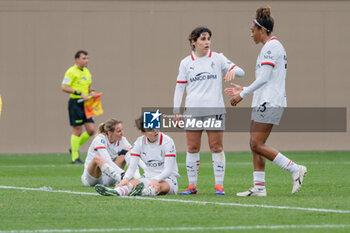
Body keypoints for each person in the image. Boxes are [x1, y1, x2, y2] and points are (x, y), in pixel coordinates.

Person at [225, 7, 307, 196]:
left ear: (262, 30)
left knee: (256, 143)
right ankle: (259, 188)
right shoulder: (269, 47)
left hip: (270, 101)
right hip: (263, 100)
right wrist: (243, 88)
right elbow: (264, 78)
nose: (251, 34)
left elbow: (264, 78)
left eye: (252, 30)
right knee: (254, 143)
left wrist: (243, 94)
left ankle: (295, 169)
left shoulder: (272, 47)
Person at [173, 27, 245, 195]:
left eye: (208, 39)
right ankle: (192, 186)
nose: (207, 42)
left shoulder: (218, 58)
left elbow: (242, 71)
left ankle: (219, 186)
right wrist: (176, 112)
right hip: (192, 111)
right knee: (192, 148)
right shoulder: (185, 63)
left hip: (215, 110)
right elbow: (179, 88)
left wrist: (233, 71)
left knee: (216, 147)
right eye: (203, 39)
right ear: (193, 42)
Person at [94, 116, 179, 196]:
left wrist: (156, 180)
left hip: (169, 180)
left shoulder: (168, 142)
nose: (155, 131)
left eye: (156, 127)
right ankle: (116, 192)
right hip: (148, 178)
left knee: (157, 187)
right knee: (130, 183)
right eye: (150, 129)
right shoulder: (139, 142)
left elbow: (168, 170)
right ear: (143, 132)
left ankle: (144, 192)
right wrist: (125, 180)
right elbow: (132, 168)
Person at [81, 119, 144, 187]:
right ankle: (122, 179)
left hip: (109, 179)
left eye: (122, 130)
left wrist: (145, 172)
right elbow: (107, 160)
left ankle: (137, 180)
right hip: (92, 179)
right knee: (97, 159)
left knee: (127, 153)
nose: (122, 133)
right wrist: (123, 175)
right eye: (119, 131)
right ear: (110, 132)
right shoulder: (100, 139)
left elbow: (135, 156)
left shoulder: (123, 140)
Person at [61, 50, 96, 164]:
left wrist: (92, 92)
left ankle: (74, 147)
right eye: (84, 58)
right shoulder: (71, 72)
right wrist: (79, 93)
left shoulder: (87, 71)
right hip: (75, 103)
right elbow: (64, 87)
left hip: (86, 104)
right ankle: (75, 157)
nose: (86, 61)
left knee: (91, 130)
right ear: (77, 60)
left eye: (87, 58)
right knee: (78, 130)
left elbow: (89, 86)